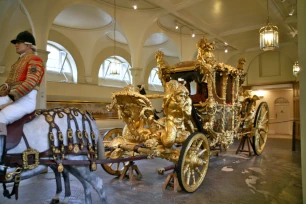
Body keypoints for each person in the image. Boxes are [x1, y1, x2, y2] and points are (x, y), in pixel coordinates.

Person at [0, 31, 45, 170]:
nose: (16, 45)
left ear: (28, 45)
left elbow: (30, 83)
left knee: (0, 117)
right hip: (12, 98)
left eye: (18, 42)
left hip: (25, 101)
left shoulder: (35, 60)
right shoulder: (18, 62)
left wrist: (9, 98)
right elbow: (8, 85)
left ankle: (0, 158)